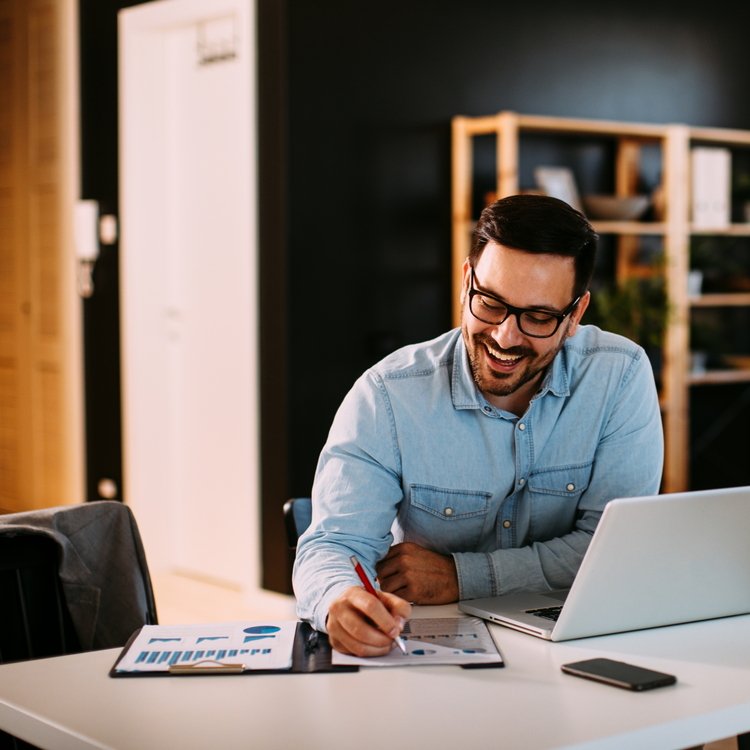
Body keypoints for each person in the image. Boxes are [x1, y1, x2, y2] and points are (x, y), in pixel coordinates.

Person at [293, 193, 664, 657]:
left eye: (539, 317)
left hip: (576, 642)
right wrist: (338, 600)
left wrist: (460, 576)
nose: (506, 336)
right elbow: (332, 545)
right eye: (490, 302)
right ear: (466, 281)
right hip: (433, 653)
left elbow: (609, 549)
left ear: (575, 315)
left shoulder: (620, 375)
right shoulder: (387, 395)